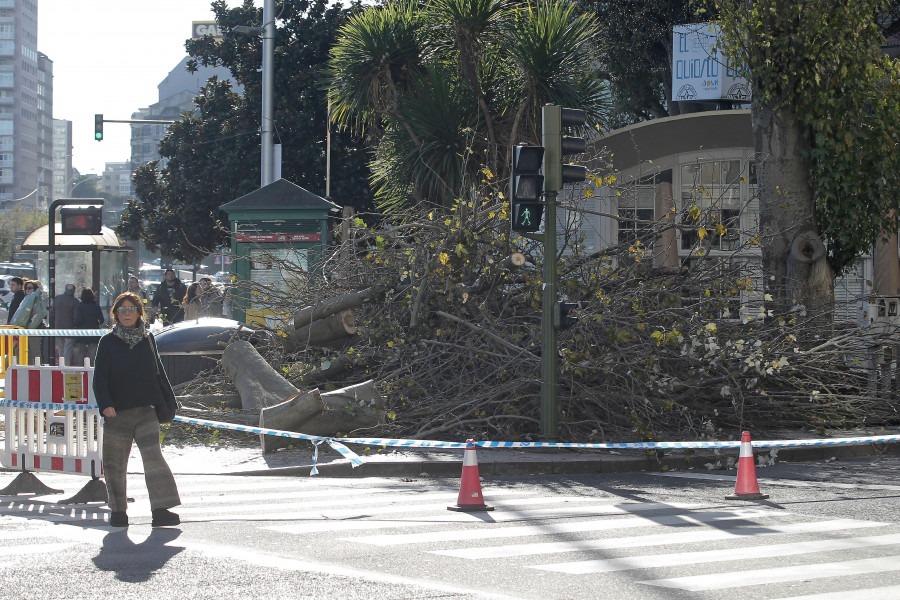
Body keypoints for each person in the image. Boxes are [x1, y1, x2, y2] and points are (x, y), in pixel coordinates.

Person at [92, 292, 181, 529]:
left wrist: (167, 401)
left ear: (140, 312)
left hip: (146, 412)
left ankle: (161, 510)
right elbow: (99, 378)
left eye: (131, 309)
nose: (127, 313)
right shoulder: (107, 342)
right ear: (116, 314)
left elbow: (158, 371)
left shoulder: (147, 339)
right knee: (114, 464)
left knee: (154, 461)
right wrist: (105, 405)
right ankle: (118, 511)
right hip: (117, 414)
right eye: (122, 310)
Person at [11, 280, 48, 365]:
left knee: (34, 352)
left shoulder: (37, 300)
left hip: (33, 331)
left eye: (30, 288)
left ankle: (37, 371)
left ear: (35, 289)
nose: (27, 290)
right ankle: (23, 368)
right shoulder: (26, 300)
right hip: (24, 330)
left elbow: (42, 313)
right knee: (20, 350)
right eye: (26, 288)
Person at [73, 287, 105, 366]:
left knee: (81, 352)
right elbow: (102, 320)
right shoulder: (96, 307)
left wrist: (77, 326)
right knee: (92, 353)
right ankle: (91, 370)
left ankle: (80, 370)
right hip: (94, 333)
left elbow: (78, 320)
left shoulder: (80, 307)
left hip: (82, 333)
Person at [53, 283, 80, 365]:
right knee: (68, 348)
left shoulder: (57, 298)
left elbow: (52, 313)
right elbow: (76, 317)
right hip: (70, 328)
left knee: (60, 348)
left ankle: (61, 365)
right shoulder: (75, 301)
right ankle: (66, 365)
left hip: (58, 327)